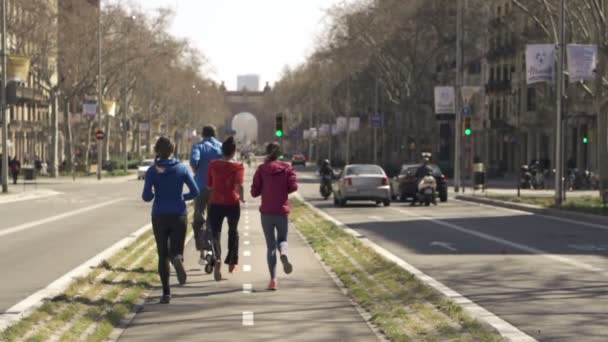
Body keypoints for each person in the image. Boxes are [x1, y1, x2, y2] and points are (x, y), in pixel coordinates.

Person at [142, 137, 199, 304]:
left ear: (157, 151)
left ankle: (166, 293)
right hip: (179, 214)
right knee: (176, 250)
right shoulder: (181, 168)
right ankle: (178, 258)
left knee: (162, 254)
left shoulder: (153, 171)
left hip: (159, 214)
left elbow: (146, 197)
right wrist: (183, 196)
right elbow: (195, 191)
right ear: (173, 151)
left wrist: (153, 193)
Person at [251, 142, 298, 291]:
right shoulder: (287, 168)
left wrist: (264, 189)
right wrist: (283, 191)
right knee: (282, 240)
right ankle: (283, 253)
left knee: (270, 246)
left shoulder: (261, 169)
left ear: (266, 152)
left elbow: (254, 192)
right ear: (279, 153)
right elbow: (294, 186)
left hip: (266, 213)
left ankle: (273, 280)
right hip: (281, 211)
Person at [206, 136, 245, 281]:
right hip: (232, 203)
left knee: (215, 233)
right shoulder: (238, 166)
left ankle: (217, 258)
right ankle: (232, 261)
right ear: (234, 151)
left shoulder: (213, 164)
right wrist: (241, 197)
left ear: (222, 151)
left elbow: (209, 185)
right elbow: (239, 185)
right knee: (233, 231)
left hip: (216, 202)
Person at [190, 125, 223, 264]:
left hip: (200, 187)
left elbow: (194, 162)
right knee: (214, 220)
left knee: (199, 216)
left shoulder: (198, 146)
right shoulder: (221, 147)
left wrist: (197, 171)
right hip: (217, 188)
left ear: (202, 135)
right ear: (215, 134)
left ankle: (201, 247)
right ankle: (214, 252)